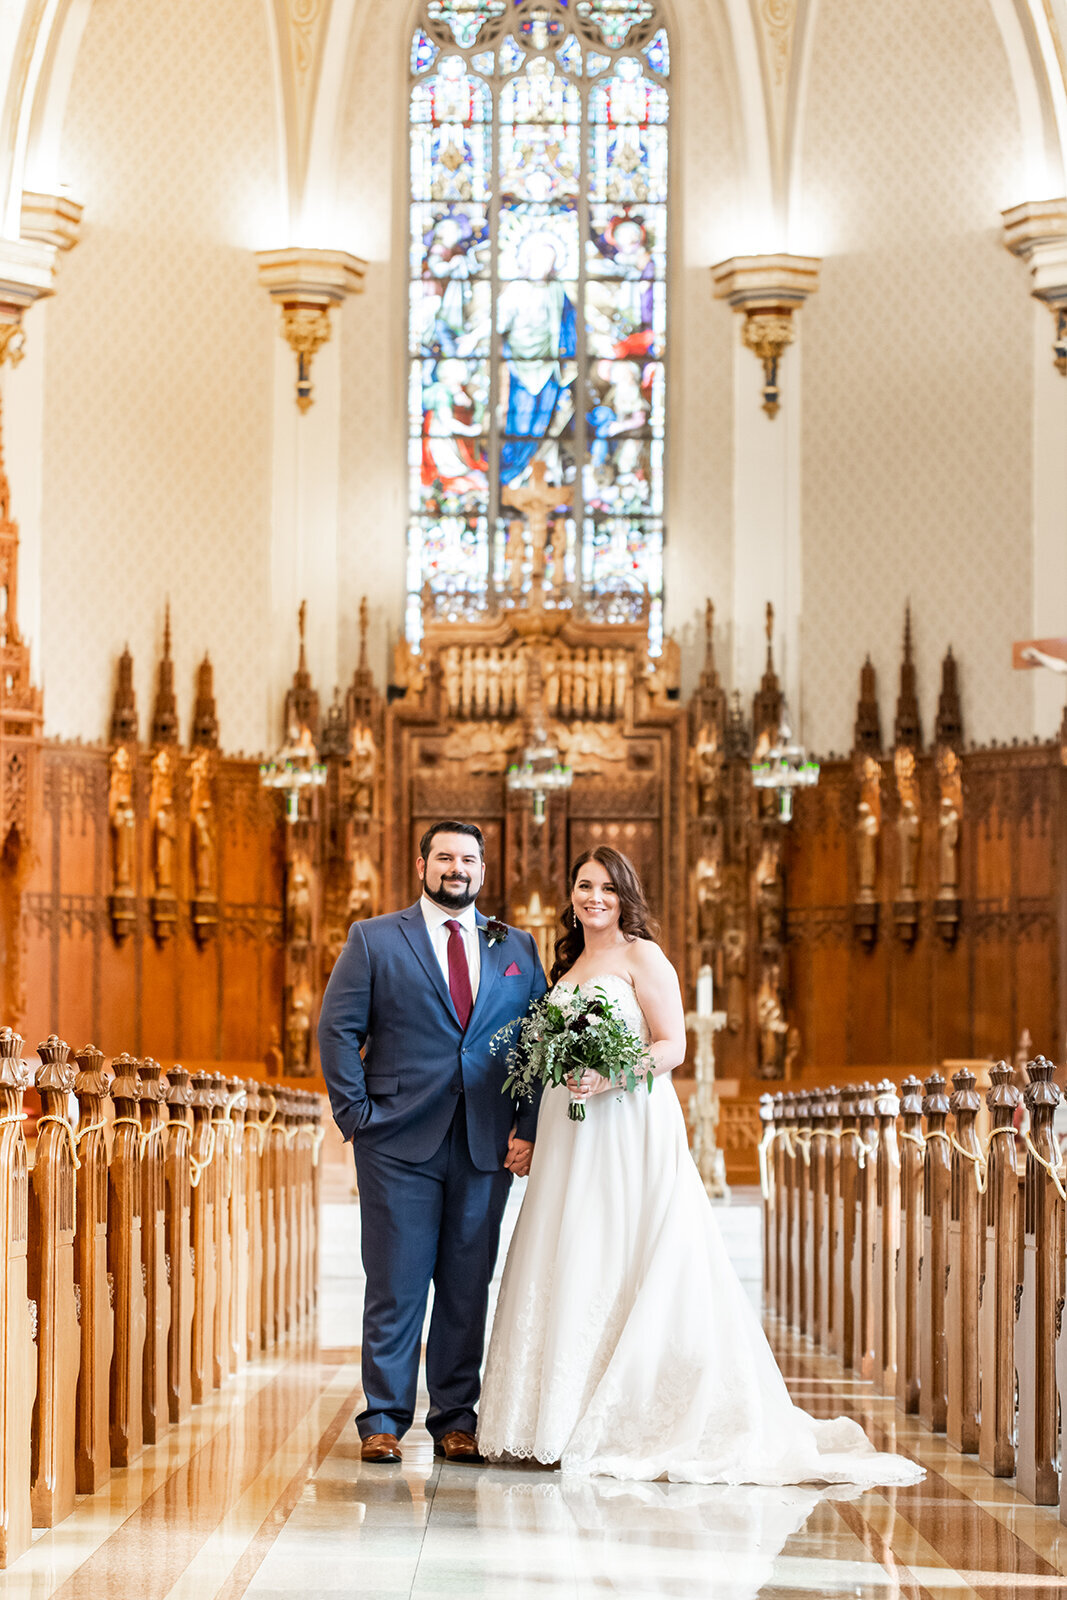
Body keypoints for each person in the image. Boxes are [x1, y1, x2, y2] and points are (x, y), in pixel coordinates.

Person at [478, 846, 923, 1488]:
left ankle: (624, 1413)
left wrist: (609, 1075)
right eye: (583, 886)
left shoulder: (643, 956)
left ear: (625, 895)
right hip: (568, 1128)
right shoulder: (568, 963)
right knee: (568, 1246)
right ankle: (555, 1415)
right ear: (570, 895)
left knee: (626, 1249)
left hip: (627, 1124)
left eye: (606, 887)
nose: (593, 897)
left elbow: (673, 1046)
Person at [318, 821, 547, 1466]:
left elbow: (537, 1045)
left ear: (482, 868)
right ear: (422, 864)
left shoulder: (518, 947)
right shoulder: (374, 939)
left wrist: (527, 1125)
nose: (457, 868)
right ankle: (383, 1418)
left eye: (468, 859)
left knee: (466, 1285)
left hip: (484, 1144)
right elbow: (337, 1030)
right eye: (444, 856)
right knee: (395, 1282)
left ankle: (454, 1419)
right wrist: (357, 1115)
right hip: (395, 1140)